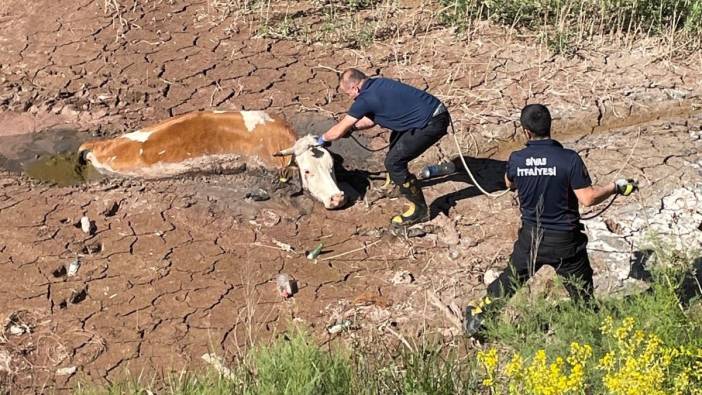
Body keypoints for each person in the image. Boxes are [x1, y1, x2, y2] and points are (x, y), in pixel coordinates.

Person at [463, 104, 638, 336]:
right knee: (582, 293)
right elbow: (587, 198)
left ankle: (479, 316)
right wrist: (615, 187)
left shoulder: (517, 159)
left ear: (526, 131)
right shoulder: (569, 159)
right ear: (550, 126)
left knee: (511, 279)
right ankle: (589, 332)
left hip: (531, 239)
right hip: (566, 241)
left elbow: (508, 183)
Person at [317, 68, 451, 226]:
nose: (350, 98)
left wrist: (320, 140)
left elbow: (338, 130)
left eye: (348, 94)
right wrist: (351, 128)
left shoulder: (365, 99)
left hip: (431, 123)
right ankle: (397, 184)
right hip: (431, 113)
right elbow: (371, 120)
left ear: (355, 88)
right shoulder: (379, 84)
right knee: (396, 140)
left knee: (394, 162)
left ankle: (420, 211)